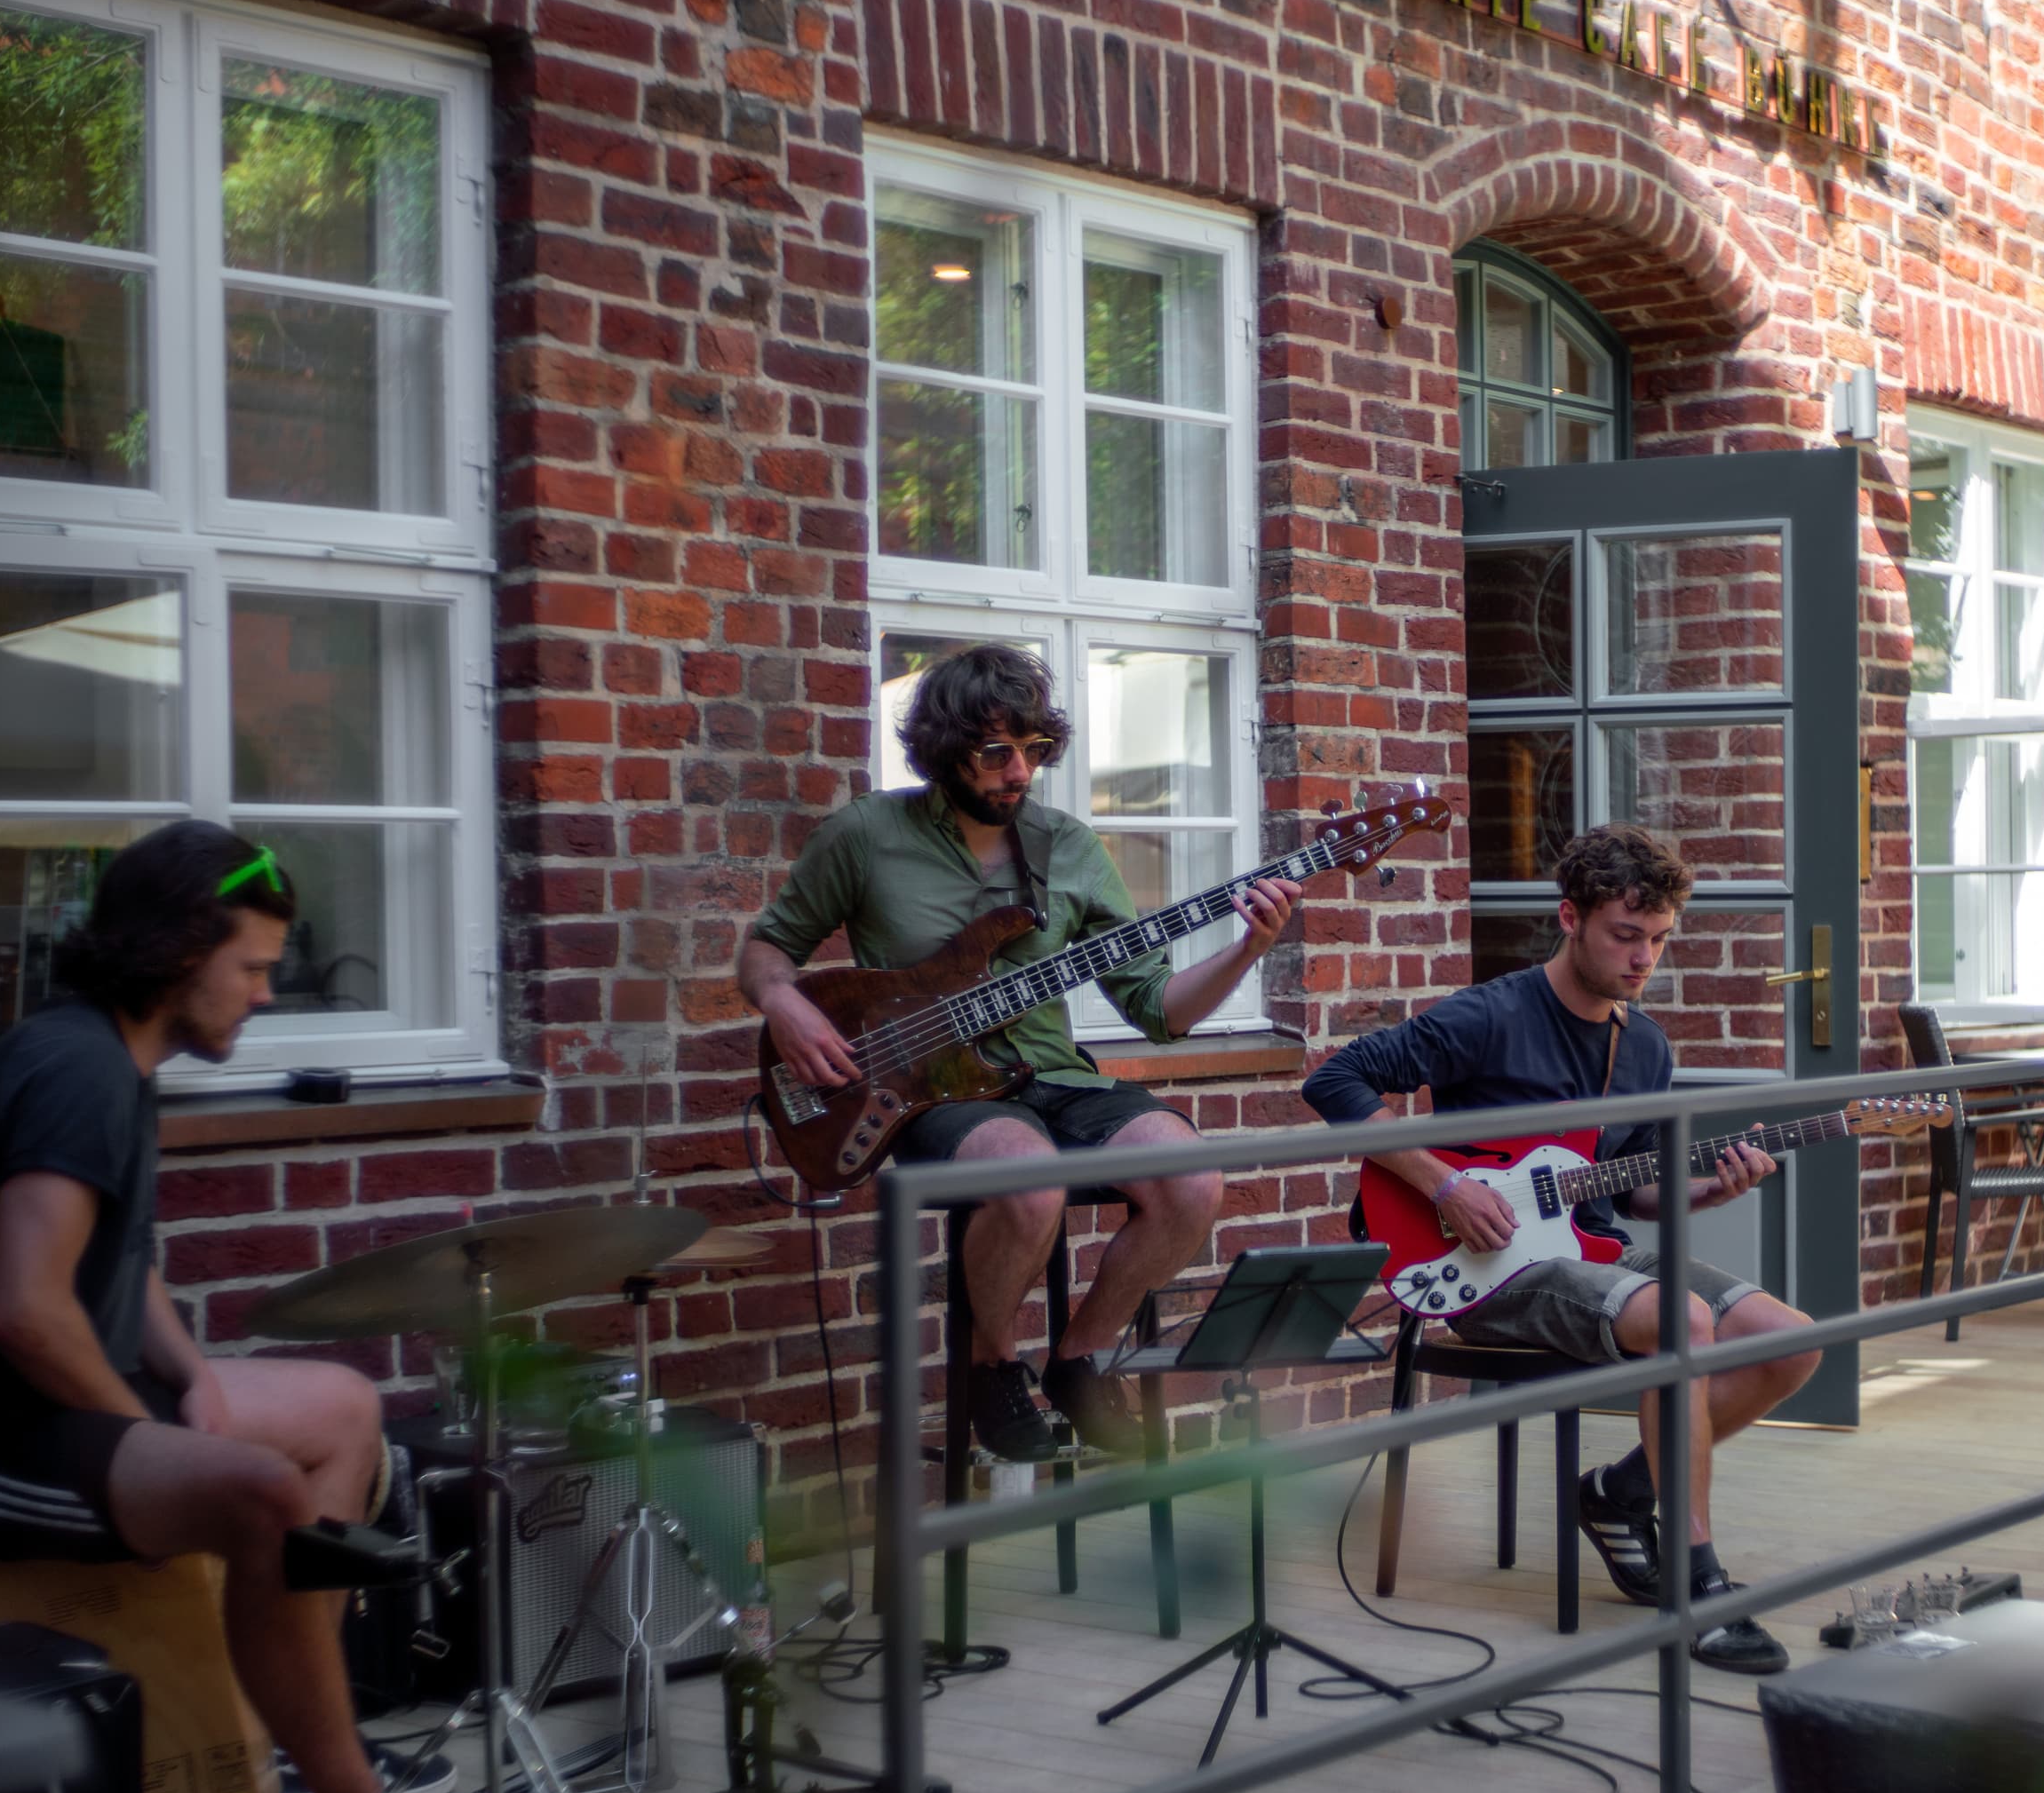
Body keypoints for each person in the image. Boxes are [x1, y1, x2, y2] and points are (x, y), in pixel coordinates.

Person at [0, 822, 524, 1793]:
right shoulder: (78, 1067)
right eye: (252, 965)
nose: (267, 993)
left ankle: (295, 1733)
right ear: (178, 952)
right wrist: (151, 1432)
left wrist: (193, 1381)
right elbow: (25, 1307)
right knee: (265, 1496)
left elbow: (116, 1266)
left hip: (61, 1418)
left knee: (341, 1407)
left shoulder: (110, 1059)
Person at [739, 644, 1298, 1461]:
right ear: (943, 747)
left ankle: (1077, 1358)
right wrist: (784, 1003)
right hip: (927, 1091)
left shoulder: (1068, 847)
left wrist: (1249, 951)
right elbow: (767, 948)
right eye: (995, 751)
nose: (1018, 772)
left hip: (1056, 1080)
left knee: (1190, 1175)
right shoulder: (866, 835)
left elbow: (1157, 1010)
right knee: (1025, 1177)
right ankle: (991, 1363)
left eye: (1034, 751)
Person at [1303, 822, 1823, 1674]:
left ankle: (1620, 1495)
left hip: (1590, 1249)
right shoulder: (1491, 1013)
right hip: (1484, 1266)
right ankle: (1699, 1583)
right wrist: (1444, 1185)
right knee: (1684, 1323)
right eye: (1626, 934)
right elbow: (1333, 1080)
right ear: (1569, 918)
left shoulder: (1645, 1045)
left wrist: (1711, 1188)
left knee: (1790, 1340)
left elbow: (1623, 1189)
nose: (1643, 957)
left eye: (1658, 939)